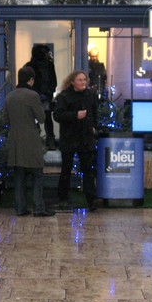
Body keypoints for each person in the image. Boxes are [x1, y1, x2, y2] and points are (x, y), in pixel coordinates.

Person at [3, 66, 54, 217]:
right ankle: (38, 208)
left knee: (19, 175)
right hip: (31, 139)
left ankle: (20, 208)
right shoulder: (33, 95)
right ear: (31, 80)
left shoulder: (10, 96)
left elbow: (5, 119)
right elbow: (42, 118)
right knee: (37, 173)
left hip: (14, 140)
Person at [53, 70, 99, 211]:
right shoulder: (64, 97)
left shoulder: (90, 95)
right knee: (66, 170)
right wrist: (75, 115)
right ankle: (63, 198)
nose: (83, 82)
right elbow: (57, 115)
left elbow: (95, 112)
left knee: (88, 171)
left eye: (84, 80)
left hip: (85, 138)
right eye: (80, 80)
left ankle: (91, 200)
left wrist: (94, 126)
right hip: (69, 139)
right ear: (72, 82)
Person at [25, 44, 57, 150]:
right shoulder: (29, 66)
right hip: (34, 97)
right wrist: (37, 94)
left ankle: (50, 139)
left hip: (45, 96)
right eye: (47, 53)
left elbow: (53, 81)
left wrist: (48, 93)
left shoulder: (49, 65)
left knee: (47, 118)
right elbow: (27, 83)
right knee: (35, 119)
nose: (49, 55)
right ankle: (36, 140)